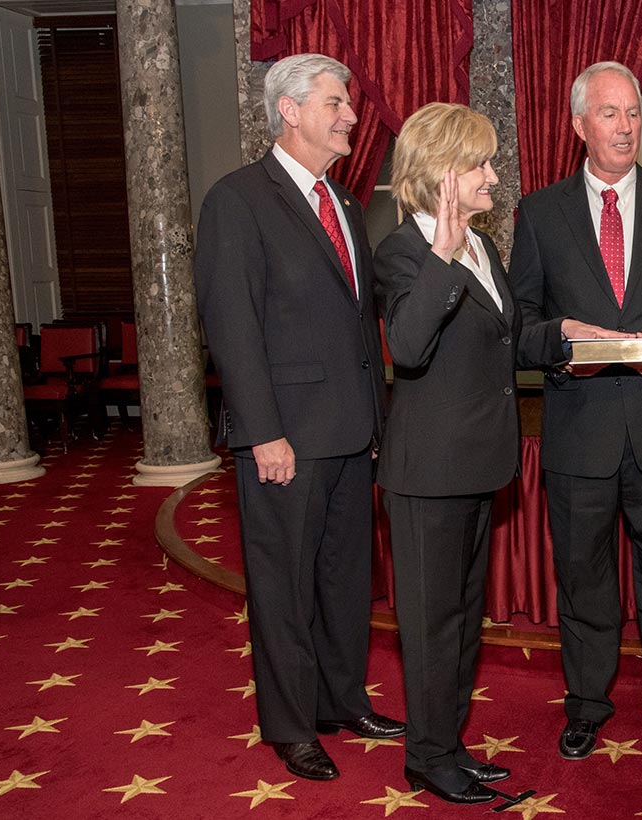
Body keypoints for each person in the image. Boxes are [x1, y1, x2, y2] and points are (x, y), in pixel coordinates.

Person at [508, 61, 642, 762]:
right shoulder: (539, 214)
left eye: (633, 112)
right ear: (578, 125)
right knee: (583, 582)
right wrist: (564, 337)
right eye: (609, 113)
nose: (626, 126)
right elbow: (519, 325)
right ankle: (587, 704)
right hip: (580, 437)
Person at [194, 53, 402, 782]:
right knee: (282, 587)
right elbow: (232, 327)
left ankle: (341, 701)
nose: (351, 115)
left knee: (346, 580)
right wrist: (262, 432)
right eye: (337, 103)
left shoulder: (343, 204)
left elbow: (356, 323)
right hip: (283, 435)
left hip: (351, 431)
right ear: (289, 109)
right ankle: (289, 724)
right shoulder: (237, 200)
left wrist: (376, 423)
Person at [374, 103, 555, 805]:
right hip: (428, 472)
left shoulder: (483, 244)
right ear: (442, 173)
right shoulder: (404, 251)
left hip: (479, 465)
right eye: (480, 163)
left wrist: (572, 336)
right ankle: (425, 757)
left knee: (459, 618)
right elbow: (410, 348)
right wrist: (444, 254)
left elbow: (507, 339)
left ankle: (448, 744)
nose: (493, 174)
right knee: (428, 623)